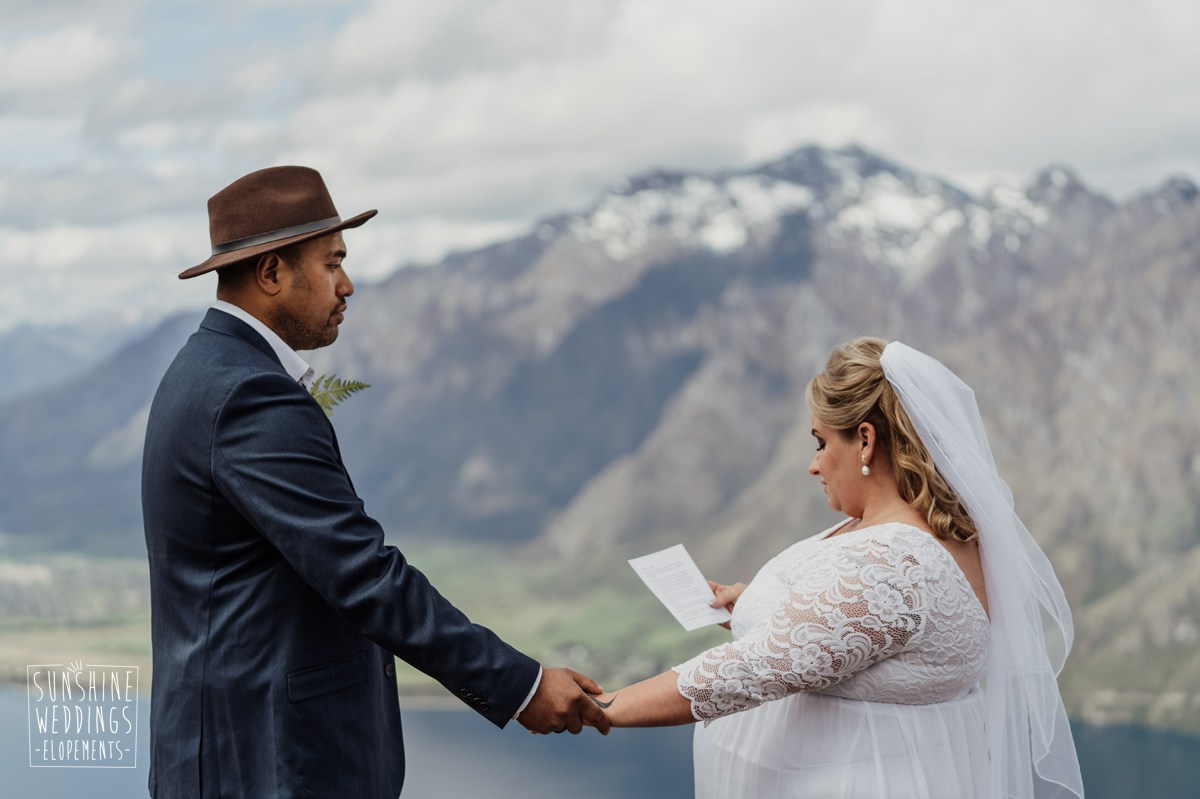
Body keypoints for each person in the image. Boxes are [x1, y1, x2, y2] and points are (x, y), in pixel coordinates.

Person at [141, 165, 608, 799]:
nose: (348, 285)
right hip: (270, 764)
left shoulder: (204, 370)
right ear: (272, 272)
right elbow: (363, 574)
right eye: (332, 264)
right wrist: (521, 685)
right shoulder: (250, 395)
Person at [589, 337, 1084, 798]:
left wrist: (600, 708)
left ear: (865, 440)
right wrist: (756, 607)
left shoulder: (890, 565)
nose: (814, 465)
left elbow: (745, 672)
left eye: (821, 442)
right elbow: (851, 635)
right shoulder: (946, 532)